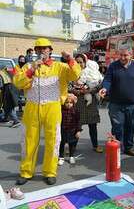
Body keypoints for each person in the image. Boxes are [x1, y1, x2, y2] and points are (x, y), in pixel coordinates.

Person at [13, 38, 81, 185]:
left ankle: (50, 172)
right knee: (29, 141)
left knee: (53, 140)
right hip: (32, 107)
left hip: (53, 107)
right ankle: (26, 172)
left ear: (50, 50)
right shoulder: (28, 67)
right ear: (35, 51)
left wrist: (70, 59)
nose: (42, 51)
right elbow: (18, 83)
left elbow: (75, 75)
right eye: (38, 49)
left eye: (45, 48)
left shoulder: (60, 66)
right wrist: (31, 70)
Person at [99, 47, 134, 157]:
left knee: (131, 127)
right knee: (117, 127)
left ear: (131, 55)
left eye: (125, 55)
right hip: (116, 104)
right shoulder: (113, 66)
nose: (123, 58)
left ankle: (128, 147)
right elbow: (108, 80)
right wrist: (105, 88)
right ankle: (117, 147)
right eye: (121, 55)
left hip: (132, 105)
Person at [70, 54, 103, 153]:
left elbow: (99, 84)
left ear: (85, 62)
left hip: (90, 103)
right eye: (77, 62)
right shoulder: (71, 73)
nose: (79, 64)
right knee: (76, 125)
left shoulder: (92, 72)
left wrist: (89, 91)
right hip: (77, 102)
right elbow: (68, 86)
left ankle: (95, 145)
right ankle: (73, 146)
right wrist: (78, 91)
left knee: (93, 125)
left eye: (81, 62)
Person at [58, 94, 81, 165]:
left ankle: (71, 156)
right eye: (67, 102)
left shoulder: (75, 111)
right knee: (61, 144)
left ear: (73, 103)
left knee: (72, 144)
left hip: (72, 130)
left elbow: (79, 121)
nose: (69, 104)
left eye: (71, 103)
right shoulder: (61, 110)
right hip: (63, 130)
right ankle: (61, 157)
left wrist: (78, 131)